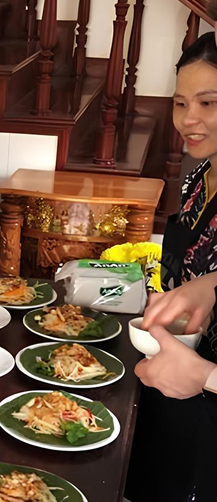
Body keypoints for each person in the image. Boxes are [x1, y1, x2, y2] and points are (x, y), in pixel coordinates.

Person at [126, 32, 217, 502]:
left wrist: (204, 376)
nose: (189, 120)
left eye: (209, 102)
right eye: (181, 103)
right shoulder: (199, 176)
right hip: (174, 380)